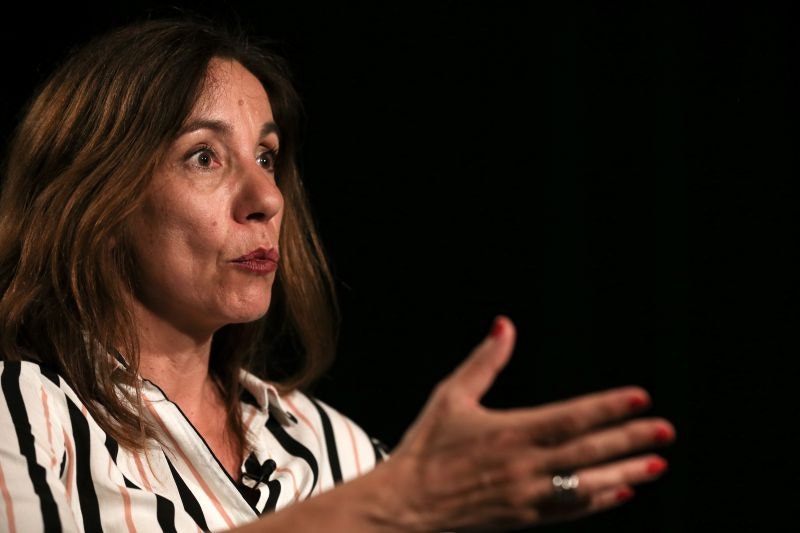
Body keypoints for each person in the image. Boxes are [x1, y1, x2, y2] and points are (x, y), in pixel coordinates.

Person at [0, 15, 675, 533]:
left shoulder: (328, 443)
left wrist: (512, 492)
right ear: (96, 198)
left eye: (266, 156)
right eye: (204, 156)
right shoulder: (27, 416)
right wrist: (388, 505)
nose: (266, 198)